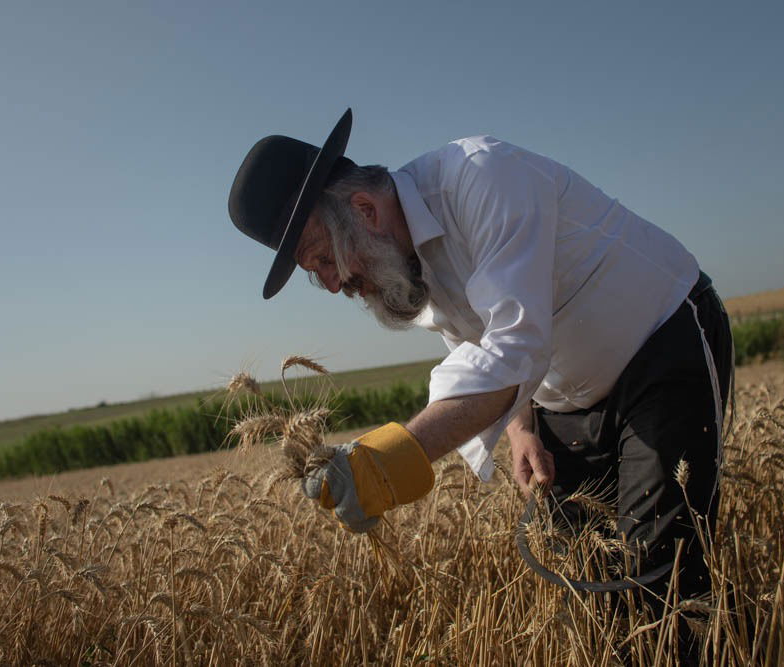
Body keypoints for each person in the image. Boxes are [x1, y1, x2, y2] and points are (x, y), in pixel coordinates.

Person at [228, 109, 733, 660]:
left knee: (662, 582)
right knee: (586, 580)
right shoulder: (410, 265)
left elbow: (515, 343)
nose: (330, 284)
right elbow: (483, 348)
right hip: (561, 399)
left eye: (322, 259)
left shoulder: (482, 178)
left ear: (364, 209)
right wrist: (521, 429)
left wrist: (381, 466)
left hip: (661, 349)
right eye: (315, 272)